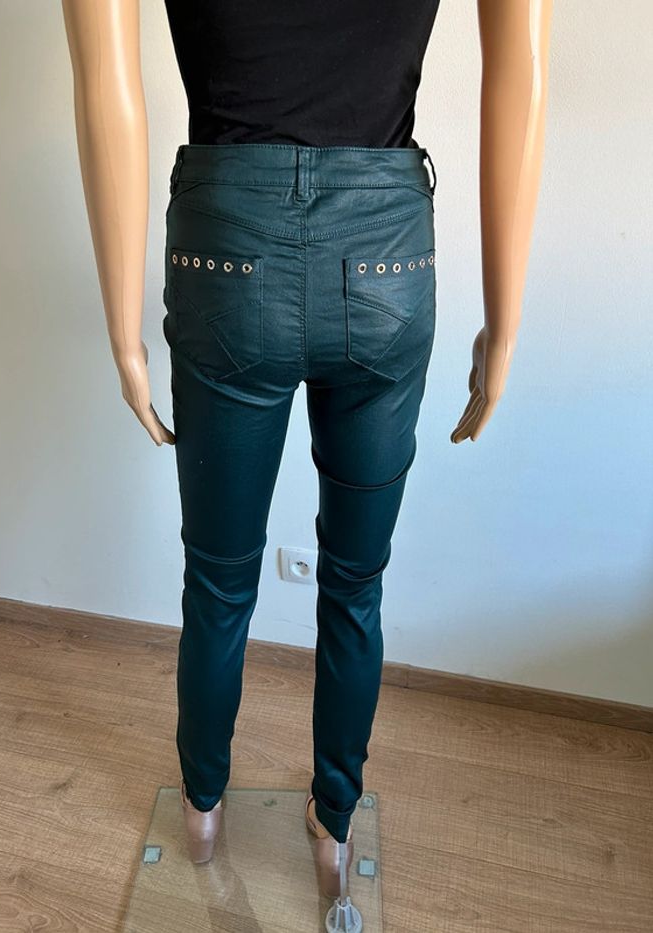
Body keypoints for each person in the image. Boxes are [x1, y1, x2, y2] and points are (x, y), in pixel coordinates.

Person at [62, 0, 554, 899]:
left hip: (223, 255)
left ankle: (202, 809)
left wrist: (123, 336)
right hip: (386, 264)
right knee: (356, 583)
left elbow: (104, 79)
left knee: (218, 580)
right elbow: (521, 68)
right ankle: (334, 823)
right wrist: (505, 323)